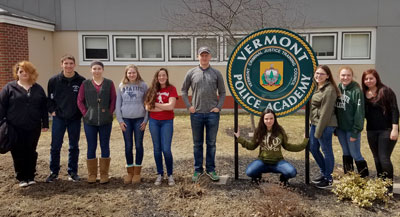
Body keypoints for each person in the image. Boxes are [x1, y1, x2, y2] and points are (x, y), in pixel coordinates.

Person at [0, 61, 49, 187]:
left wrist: (45, 123)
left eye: (26, 71)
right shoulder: (9, 88)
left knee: (31, 151)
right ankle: (21, 177)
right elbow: (2, 106)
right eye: (21, 71)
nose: (23, 73)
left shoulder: (38, 88)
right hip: (14, 126)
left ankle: (31, 176)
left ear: (32, 72)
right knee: (17, 152)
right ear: (17, 73)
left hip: (33, 126)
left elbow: (44, 107)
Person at [181, 46, 226, 182]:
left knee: (211, 143)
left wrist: (218, 107)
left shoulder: (216, 73)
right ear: (198, 57)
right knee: (197, 143)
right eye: (202, 55)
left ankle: (211, 169)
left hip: (212, 114)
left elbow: (222, 92)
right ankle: (198, 169)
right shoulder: (191, 73)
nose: (204, 57)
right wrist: (189, 106)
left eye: (206, 55)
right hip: (197, 114)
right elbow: (183, 90)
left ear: (210, 57)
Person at [234, 109, 308, 185]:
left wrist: (304, 142)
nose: (269, 121)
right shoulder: (259, 131)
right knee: (249, 172)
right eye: (266, 119)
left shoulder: (280, 131)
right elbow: (251, 146)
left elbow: (288, 146)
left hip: (278, 162)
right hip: (262, 162)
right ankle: (257, 176)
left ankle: (283, 179)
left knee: (291, 172)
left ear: (274, 119)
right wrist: (239, 138)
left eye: (271, 118)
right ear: (262, 119)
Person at [46, 55, 85, 183]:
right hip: (59, 118)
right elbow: (49, 99)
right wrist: (52, 111)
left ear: (74, 65)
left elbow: (83, 100)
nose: (68, 66)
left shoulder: (81, 81)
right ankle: (54, 172)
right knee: (55, 146)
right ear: (61, 64)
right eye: (66, 63)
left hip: (74, 118)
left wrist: (80, 113)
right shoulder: (53, 81)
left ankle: (73, 172)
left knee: (74, 146)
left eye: (71, 63)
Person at [77, 61, 116, 184]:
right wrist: (86, 113)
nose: (97, 71)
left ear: (102, 70)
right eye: (94, 68)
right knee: (91, 146)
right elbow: (80, 100)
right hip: (90, 121)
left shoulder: (109, 83)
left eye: (99, 68)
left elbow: (113, 99)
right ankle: (92, 174)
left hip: (105, 120)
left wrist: (109, 112)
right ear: (91, 70)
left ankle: (104, 174)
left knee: (105, 145)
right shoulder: (85, 84)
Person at [362, 69, 398, 192]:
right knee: (376, 158)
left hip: (386, 130)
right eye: (366, 79)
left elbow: (394, 110)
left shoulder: (386, 91)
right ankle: (380, 183)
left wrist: (395, 129)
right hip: (371, 130)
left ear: (376, 78)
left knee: (384, 158)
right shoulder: (364, 93)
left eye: (371, 78)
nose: (368, 81)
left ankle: (389, 187)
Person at [144, 68, 178, 186]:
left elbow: (171, 107)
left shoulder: (171, 89)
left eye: (164, 75)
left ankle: (170, 175)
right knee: (157, 149)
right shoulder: (151, 90)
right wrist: (164, 106)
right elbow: (148, 107)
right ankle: (159, 174)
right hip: (154, 122)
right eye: (159, 76)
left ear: (167, 77)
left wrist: (156, 104)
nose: (162, 77)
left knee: (166, 149)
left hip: (167, 122)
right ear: (157, 77)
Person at [116, 64, 148, 184]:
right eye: (129, 73)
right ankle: (130, 172)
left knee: (139, 145)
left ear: (137, 73)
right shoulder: (121, 86)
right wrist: (120, 121)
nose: (131, 75)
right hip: (126, 120)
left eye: (133, 72)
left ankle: (137, 172)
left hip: (139, 119)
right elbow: (118, 104)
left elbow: (147, 104)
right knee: (128, 146)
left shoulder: (143, 85)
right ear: (126, 74)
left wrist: (145, 120)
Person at [309, 65, 339, 189]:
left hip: (325, 125)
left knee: (327, 151)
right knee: (313, 148)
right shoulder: (318, 87)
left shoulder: (329, 90)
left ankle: (328, 178)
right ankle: (324, 172)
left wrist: (318, 131)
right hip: (315, 123)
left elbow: (326, 112)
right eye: (317, 73)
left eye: (321, 74)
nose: (318, 76)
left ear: (327, 76)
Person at [335, 66, 368, 177]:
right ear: (339, 76)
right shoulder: (337, 88)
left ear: (352, 76)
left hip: (352, 129)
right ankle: (349, 177)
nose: (346, 77)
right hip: (340, 129)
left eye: (348, 75)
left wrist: (355, 131)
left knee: (355, 153)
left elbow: (359, 113)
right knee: (346, 152)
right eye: (343, 75)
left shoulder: (356, 91)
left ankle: (364, 177)